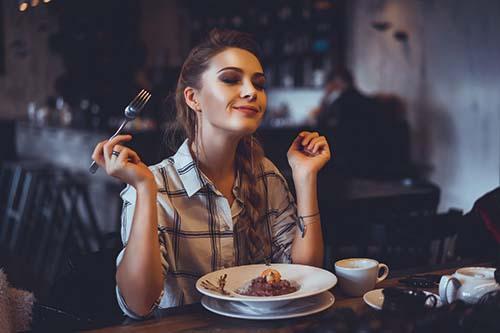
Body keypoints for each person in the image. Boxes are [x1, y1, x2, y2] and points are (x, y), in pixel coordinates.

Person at [91, 29, 331, 319]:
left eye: (259, 83)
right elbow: (139, 304)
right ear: (194, 99)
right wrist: (144, 188)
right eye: (230, 79)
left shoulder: (266, 176)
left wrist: (305, 178)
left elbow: (304, 272)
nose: (251, 92)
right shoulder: (155, 185)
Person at [309, 68, 377, 178]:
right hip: (368, 157)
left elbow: (320, 123)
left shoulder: (340, 103)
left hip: (343, 159)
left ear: (338, 81)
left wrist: (326, 96)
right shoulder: (369, 101)